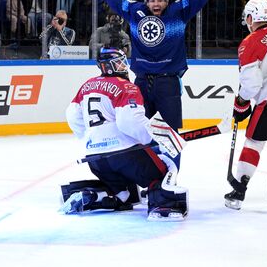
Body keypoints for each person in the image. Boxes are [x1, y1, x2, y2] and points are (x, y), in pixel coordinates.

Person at [96, 0, 209, 169]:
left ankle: (171, 176)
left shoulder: (179, 11)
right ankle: (146, 176)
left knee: (171, 136)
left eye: (160, 0)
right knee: (137, 132)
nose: (156, 4)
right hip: (141, 83)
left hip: (168, 82)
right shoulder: (136, 12)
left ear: (167, 1)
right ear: (146, 1)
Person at [62, 47, 188, 220]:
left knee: (125, 195)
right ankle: (162, 204)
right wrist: (155, 138)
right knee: (164, 170)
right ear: (108, 66)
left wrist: (90, 138)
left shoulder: (87, 85)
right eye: (120, 63)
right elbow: (130, 121)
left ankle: (97, 197)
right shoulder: (126, 86)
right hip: (124, 155)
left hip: (95, 159)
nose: (124, 66)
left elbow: (72, 115)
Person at [223, 0, 267, 210]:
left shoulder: (249, 42)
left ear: (250, 17)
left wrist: (241, 102)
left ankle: (239, 190)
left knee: (254, 142)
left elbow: (252, 85)